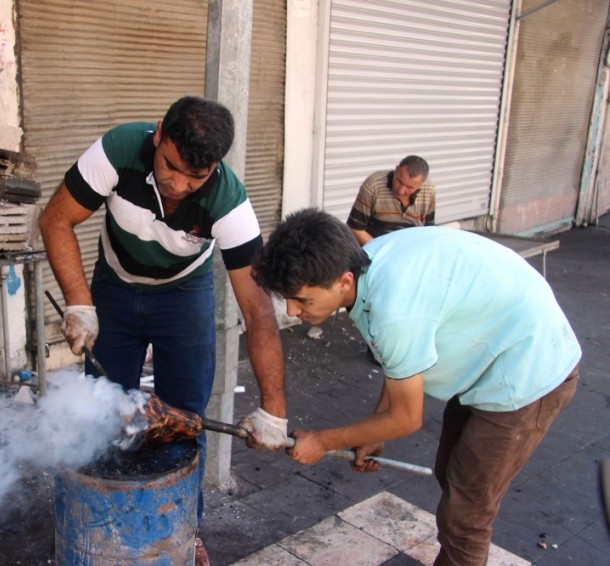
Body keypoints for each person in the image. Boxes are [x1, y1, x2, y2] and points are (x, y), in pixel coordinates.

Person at [252, 208, 581, 566]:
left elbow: (408, 418)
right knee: (451, 475)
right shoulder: (369, 261)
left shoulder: (393, 308)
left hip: (529, 368)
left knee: (466, 513)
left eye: (303, 300)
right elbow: (397, 360)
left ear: (343, 281)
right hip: (494, 349)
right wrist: (377, 428)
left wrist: (323, 441)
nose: (293, 311)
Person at [39, 96, 288, 565]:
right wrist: (79, 302)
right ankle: (101, 524)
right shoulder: (118, 149)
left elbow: (258, 313)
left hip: (184, 296)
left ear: (214, 167)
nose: (178, 185)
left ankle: (182, 529)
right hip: (114, 284)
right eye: (171, 167)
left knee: (183, 419)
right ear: (158, 135)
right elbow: (56, 219)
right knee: (103, 410)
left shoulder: (227, 200)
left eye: (195, 177)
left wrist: (273, 411)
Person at [347, 155, 435, 245]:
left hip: (411, 248)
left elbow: (429, 230)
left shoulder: (428, 190)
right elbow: (355, 228)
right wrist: (383, 251)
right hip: (376, 247)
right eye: (399, 181)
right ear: (396, 170)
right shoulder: (373, 185)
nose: (401, 191)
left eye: (410, 187)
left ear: (421, 185)